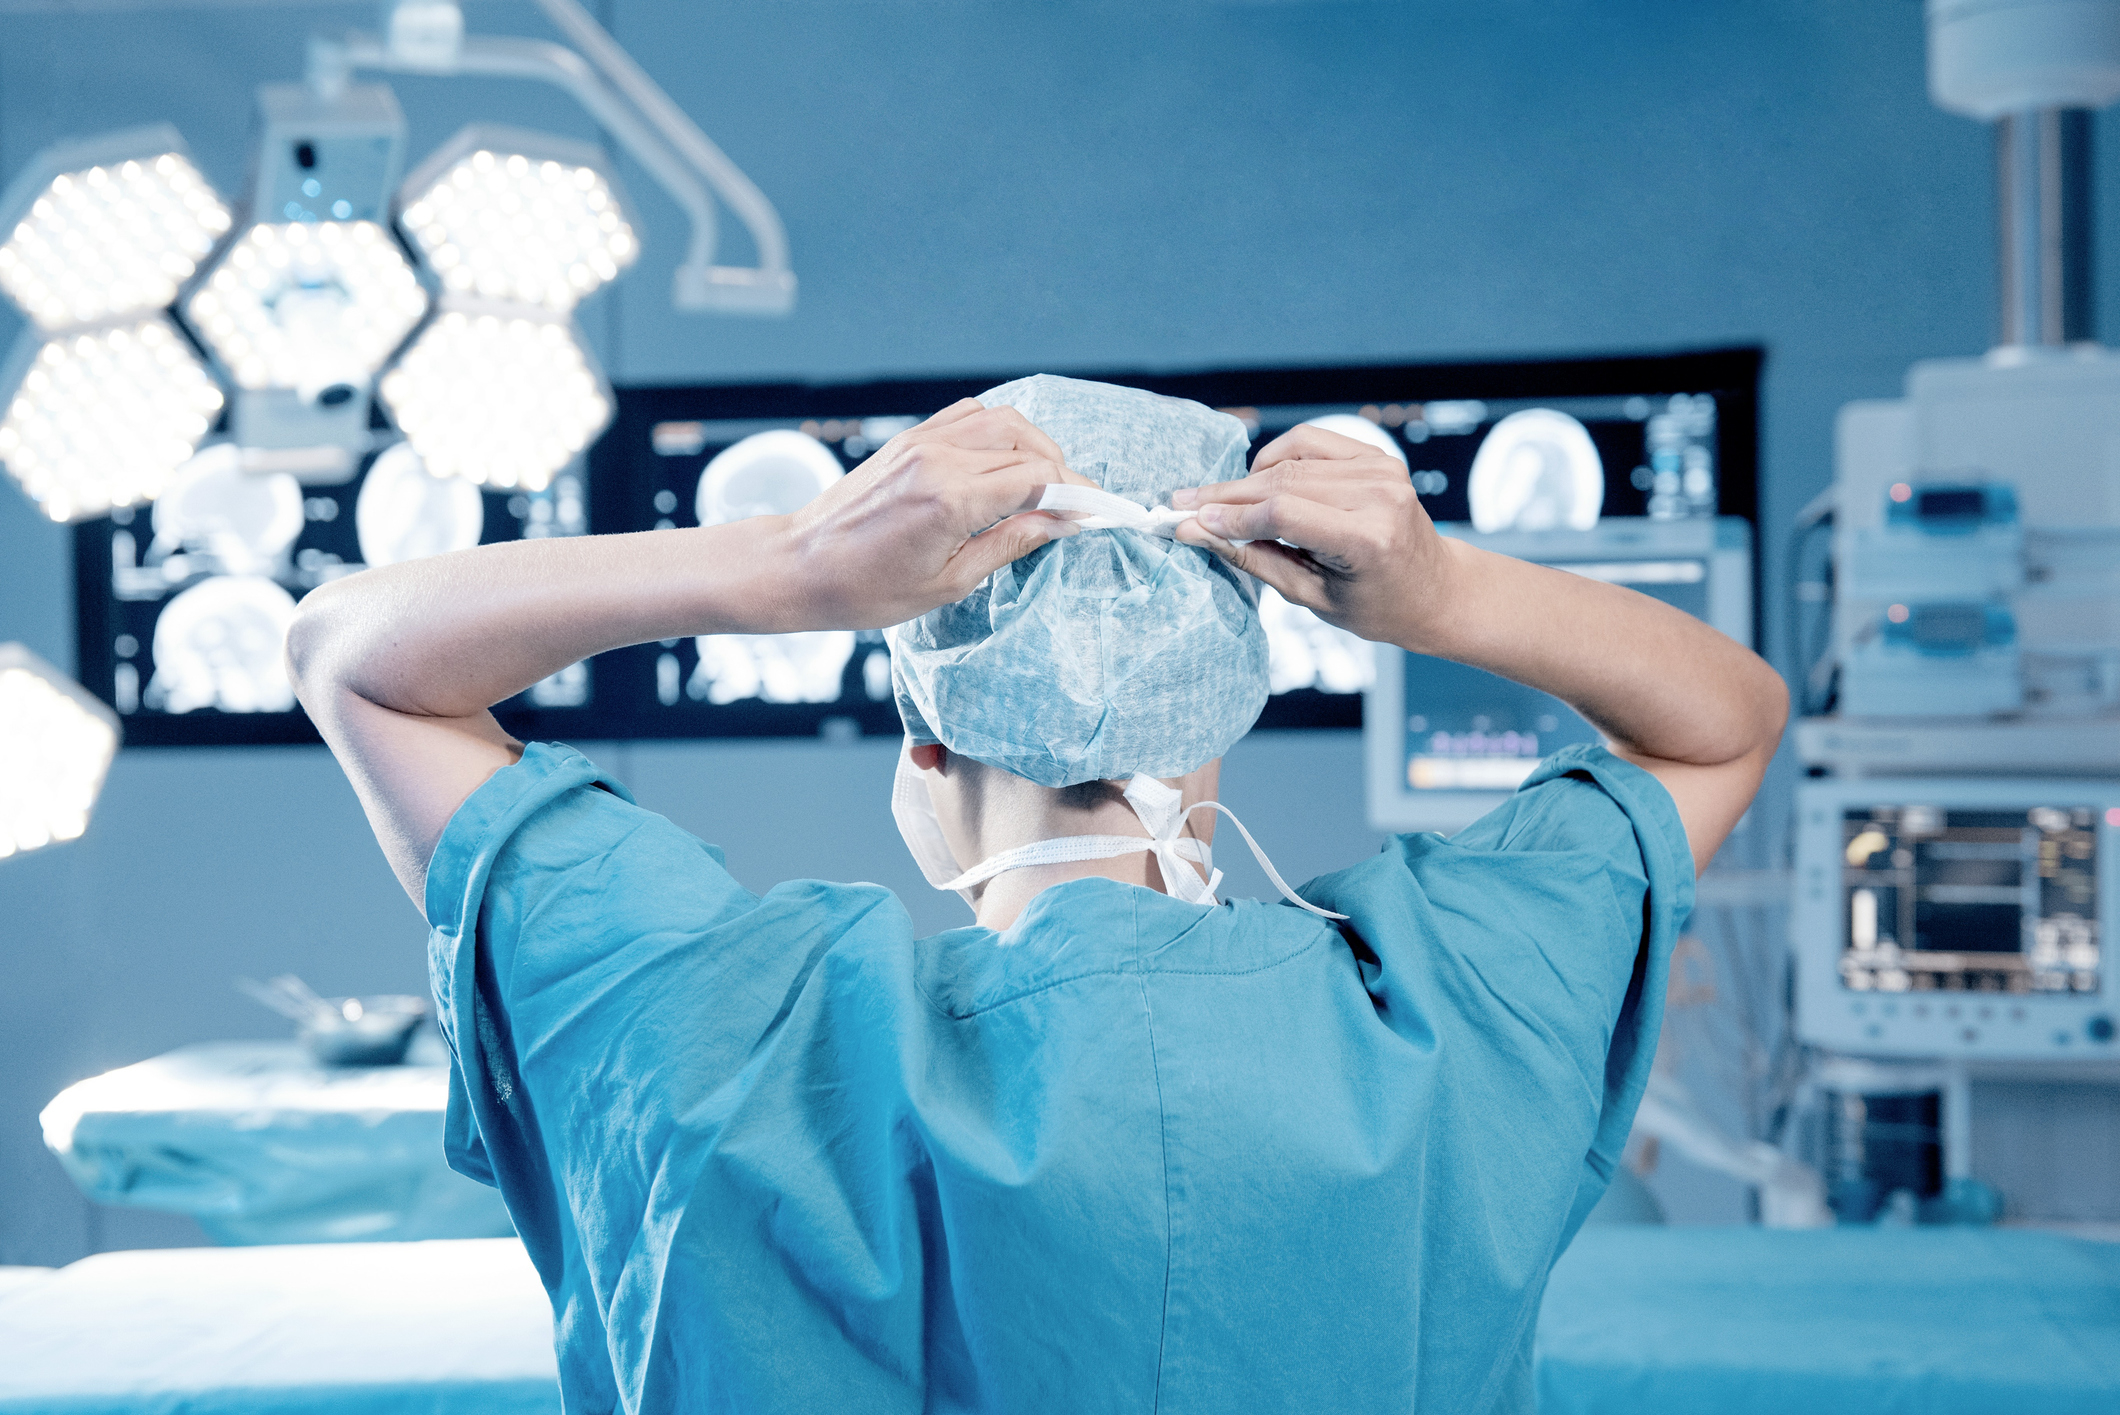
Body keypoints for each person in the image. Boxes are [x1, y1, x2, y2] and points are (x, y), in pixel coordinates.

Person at [288, 376, 1785, 1414]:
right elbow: (1723, 723)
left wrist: (791, 566)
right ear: (1218, 728)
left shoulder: (717, 1030)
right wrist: (1441, 592)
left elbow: (354, 659)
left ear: (925, 739)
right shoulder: (1454, 1008)